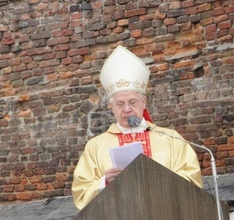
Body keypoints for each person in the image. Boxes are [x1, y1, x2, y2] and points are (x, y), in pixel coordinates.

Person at [72, 45, 202, 210]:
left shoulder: (171, 139)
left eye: (132, 102)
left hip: (167, 216)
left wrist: (158, 178)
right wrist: (104, 182)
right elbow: (81, 193)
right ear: (111, 106)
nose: (127, 109)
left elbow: (192, 180)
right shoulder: (95, 147)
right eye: (120, 104)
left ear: (144, 103)